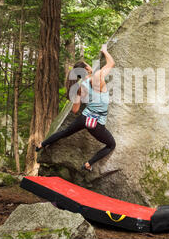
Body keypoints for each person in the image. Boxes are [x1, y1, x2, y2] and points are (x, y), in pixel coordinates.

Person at [35, 44, 116, 172]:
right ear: (87, 68)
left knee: (65, 132)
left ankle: (41, 144)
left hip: (84, 118)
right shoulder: (97, 76)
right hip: (97, 123)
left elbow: (74, 110)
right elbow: (111, 63)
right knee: (111, 144)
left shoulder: (79, 87)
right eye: (87, 64)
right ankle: (89, 164)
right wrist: (104, 50)